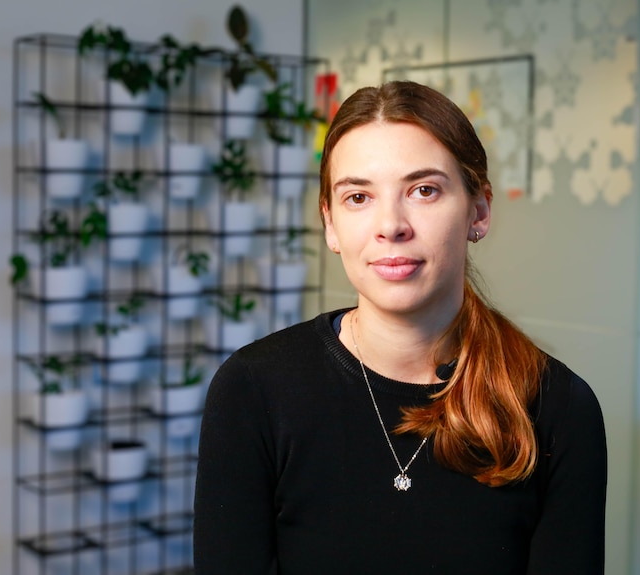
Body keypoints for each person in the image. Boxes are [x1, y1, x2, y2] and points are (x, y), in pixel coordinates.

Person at [194, 80, 607, 574]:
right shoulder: (254, 390)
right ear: (329, 223)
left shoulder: (558, 407)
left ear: (479, 210)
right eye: (358, 197)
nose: (391, 224)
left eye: (423, 190)